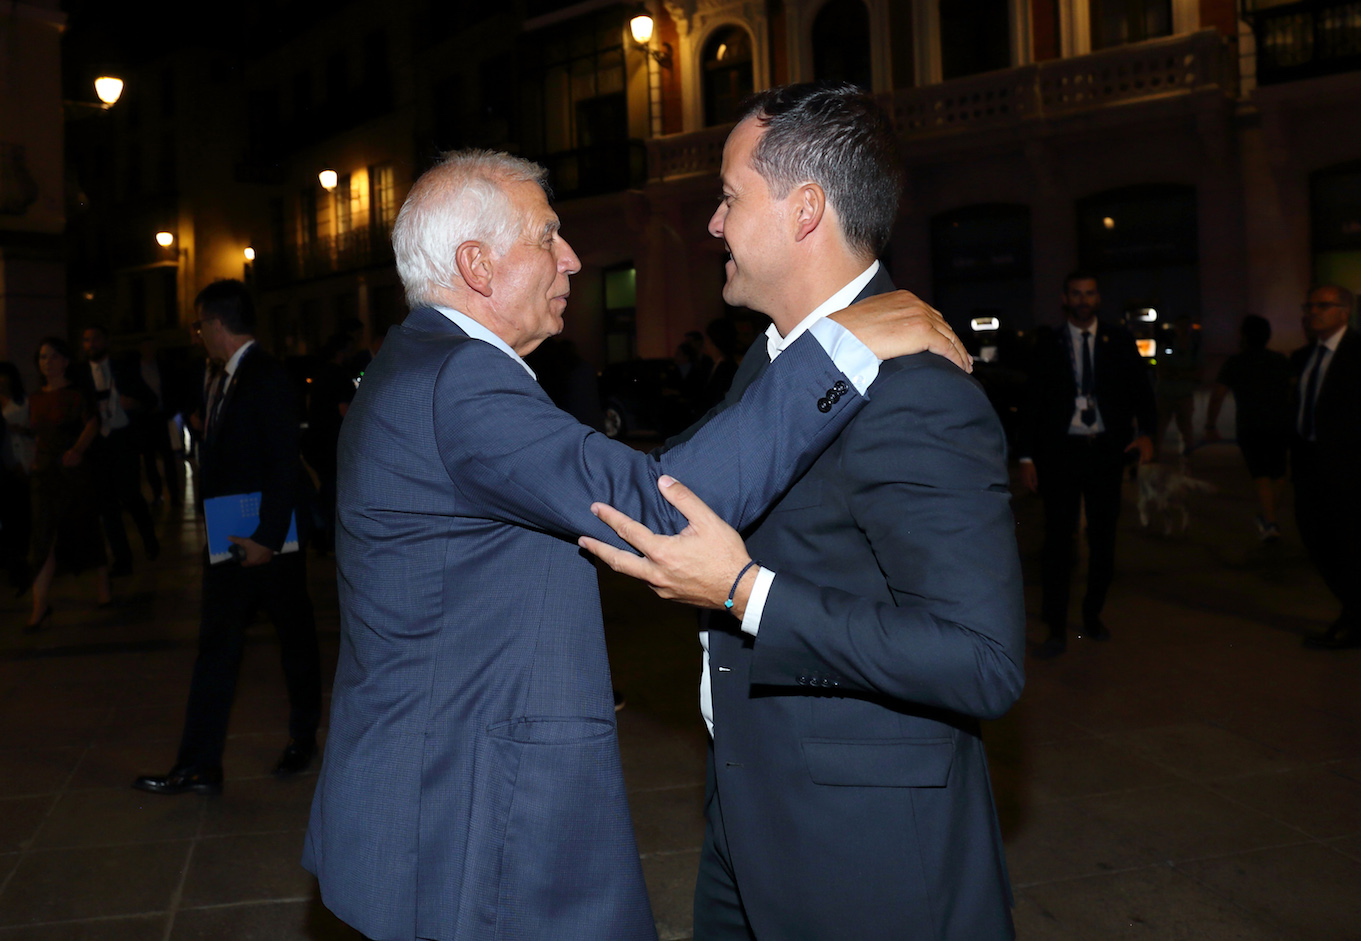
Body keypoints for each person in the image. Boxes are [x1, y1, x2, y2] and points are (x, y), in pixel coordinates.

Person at [302, 148, 967, 941]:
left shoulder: (414, 361)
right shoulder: (461, 379)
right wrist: (839, 346)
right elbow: (657, 505)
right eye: (547, 237)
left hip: (425, 783)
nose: (572, 258)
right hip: (472, 806)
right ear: (477, 265)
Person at [580, 83, 1025, 941]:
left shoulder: (919, 395)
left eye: (729, 197)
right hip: (748, 817)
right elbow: (673, 488)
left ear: (805, 210)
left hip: (864, 859)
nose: (714, 224)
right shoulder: (777, 358)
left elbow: (982, 661)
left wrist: (746, 592)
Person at [133, 280, 322, 795]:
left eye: (200, 326)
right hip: (228, 531)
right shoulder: (221, 376)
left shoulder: (266, 375)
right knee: (216, 646)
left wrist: (266, 537)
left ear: (217, 325)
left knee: (295, 639)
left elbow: (283, 463)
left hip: (270, 538)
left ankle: (304, 737)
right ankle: (198, 764)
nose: (197, 336)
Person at [1019, 271, 1156, 659]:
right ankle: (1056, 626)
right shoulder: (1049, 343)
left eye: (1090, 293)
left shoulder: (1119, 340)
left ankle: (1092, 614)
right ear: (1065, 299)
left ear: (1098, 298)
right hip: (1060, 454)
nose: (1083, 300)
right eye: (1076, 294)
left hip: (1105, 453)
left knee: (1103, 538)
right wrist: (1026, 456)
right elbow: (1032, 402)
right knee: (1057, 541)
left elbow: (1141, 390)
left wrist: (1147, 433)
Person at [1290, 284, 1361, 650]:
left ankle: (1355, 621)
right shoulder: (1304, 356)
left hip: (1351, 468)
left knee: (1352, 542)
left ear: (1344, 312)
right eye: (1309, 305)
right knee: (1313, 535)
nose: (1313, 312)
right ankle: (1359, 601)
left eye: (1322, 305)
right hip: (1310, 463)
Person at [24, 338, 109, 630]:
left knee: (85, 527)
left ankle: (103, 585)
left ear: (65, 361)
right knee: (42, 538)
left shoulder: (76, 393)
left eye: (52, 356)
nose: (47, 362)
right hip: (44, 473)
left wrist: (77, 450)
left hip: (72, 471)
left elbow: (92, 423)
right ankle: (39, 607)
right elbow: (38, 434)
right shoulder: (35, 397)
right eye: (42, 357)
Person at [1204, 314, 1292, 540]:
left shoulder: (1235, 363)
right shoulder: (1280, 360)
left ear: (1244, 336)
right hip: (1280, 423)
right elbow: (1294, 391)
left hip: (1250, 425)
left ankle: (1270, 523)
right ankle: (1270, 516)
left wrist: (1211, 424)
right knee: (1279, 473)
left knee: (1260, 473)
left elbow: (1217, 395)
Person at [81, 325, 160, 574]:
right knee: (106, 504)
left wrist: (134, 403)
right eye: (86, 340)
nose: (91, 345)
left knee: (131, 495)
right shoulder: (81, 375)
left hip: (124, 439)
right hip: (98, 443)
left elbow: (150, 399)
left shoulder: (123, 369)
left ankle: (149, 539)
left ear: (106, 341)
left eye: (95, 339)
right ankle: (122, 558)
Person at [303, 333, 356, 551]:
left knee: (325, 493)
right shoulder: (340, 376)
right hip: (334, 444)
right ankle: (334, 542)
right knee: (335, 495)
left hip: (317, 442)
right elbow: (345, 411)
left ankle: (322, 538)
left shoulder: (320, 374)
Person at [0, 361, 35, 590]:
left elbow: (35, 429)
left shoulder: (24, 402)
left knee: (20, 514)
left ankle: (20, 560)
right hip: (5, 465)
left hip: (21, 459)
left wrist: (21, 430)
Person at [136, 339, 181, 506]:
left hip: (160, 417)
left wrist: (169, 410)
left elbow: (171, 390)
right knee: (150, 460)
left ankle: (173, 495)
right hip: (145, 418)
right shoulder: (137, 370)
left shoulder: (163, 368)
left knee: (167, 458)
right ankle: (158, 494)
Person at [1154, 316, 1203, 456]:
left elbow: (1198, 373)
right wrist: (1185, 373)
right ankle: (1154, 453)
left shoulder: (1194, 348)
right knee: (1159, 427)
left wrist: (1176, 373)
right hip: (1165, 394)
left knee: (1186, 428)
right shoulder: (1168, 345)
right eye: (1180, 327)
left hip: (1184, 395)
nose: (1183, 330)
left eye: (1185, 327)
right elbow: (1161, 371)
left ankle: (1189, 455)